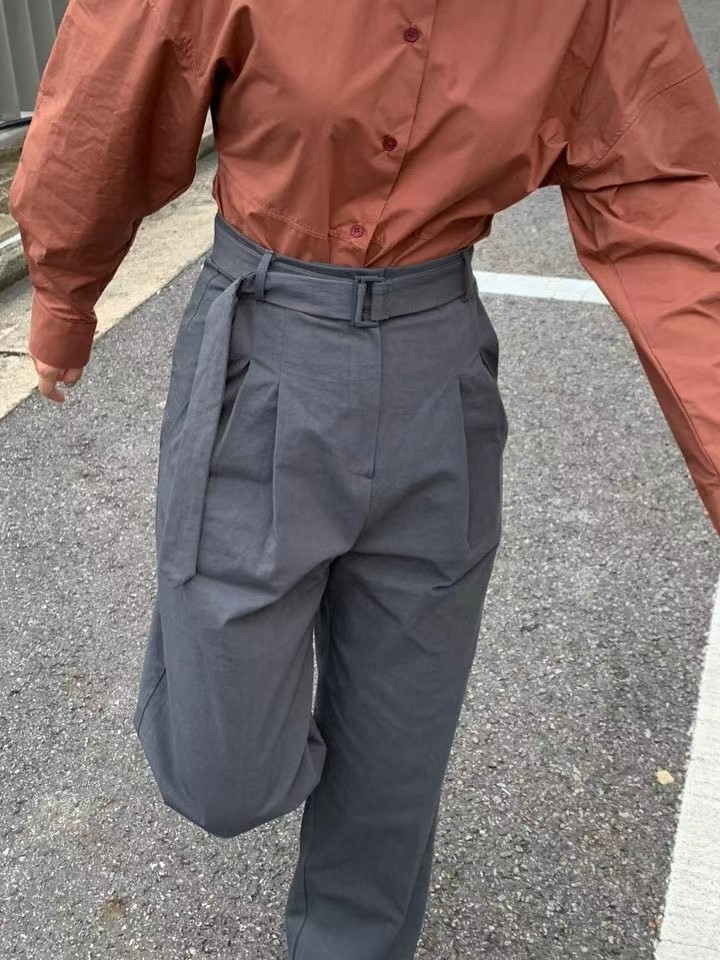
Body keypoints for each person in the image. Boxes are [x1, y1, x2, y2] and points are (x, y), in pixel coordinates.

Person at [9, 0, 720, 956]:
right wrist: (65, 292)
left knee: (396, 751)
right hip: (267, 342)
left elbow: (668, 191)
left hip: (439, 365)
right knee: (223, 771)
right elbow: (115, 83)